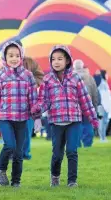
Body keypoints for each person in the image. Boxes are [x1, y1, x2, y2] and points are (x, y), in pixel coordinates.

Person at [31, 45, 99, 187]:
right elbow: (44, 101)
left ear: (67, 60)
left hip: (74, 121)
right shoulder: (47, 80)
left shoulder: (76, 78)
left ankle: (72, 181)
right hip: (56, 122)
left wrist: (93, 119)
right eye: (53, 59)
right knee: (57, 154)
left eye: (60, 59)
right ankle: (55, 177)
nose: (56, 62)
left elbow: (85, 100)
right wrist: (37, 110)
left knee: (72, 151)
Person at [0, 40, 41, 188]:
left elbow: (33, 99)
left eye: (17, 55)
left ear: (21, 57)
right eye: (10, 55)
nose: (14, 58)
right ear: (5, 57)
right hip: (5, 117)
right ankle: (0, 169)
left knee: (19, 153)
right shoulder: (0, 76)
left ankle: (16, 182)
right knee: (9, 145)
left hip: (22, 118)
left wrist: (37, 119)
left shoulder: (28, 76)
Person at [22, 56, 44, 160]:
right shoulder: (6, 63)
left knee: (27, 129)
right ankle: (13, 154)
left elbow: (40, 76)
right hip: (11, 105)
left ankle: (25, 153)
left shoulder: (30, 61)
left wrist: (31, 82)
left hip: (29, 102)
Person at [73, 59, 99, 147]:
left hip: (75, 107)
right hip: (88, 105)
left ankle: (77, 144)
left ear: (74, 67)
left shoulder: (70, 78)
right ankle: (88, 144)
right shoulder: (90, 77)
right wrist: (95, 106)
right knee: (88, 125)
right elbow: (95, 93)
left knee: (76, 126)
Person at [94, 70, 111, 142]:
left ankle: (104, 137)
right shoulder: (101, 83)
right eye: (106, 74)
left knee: (105, 122)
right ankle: (102, 137)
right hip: (102, 105)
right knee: (101, 121)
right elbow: (102, 95)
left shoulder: (105, 83)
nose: (107, 76)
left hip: (106, 105)